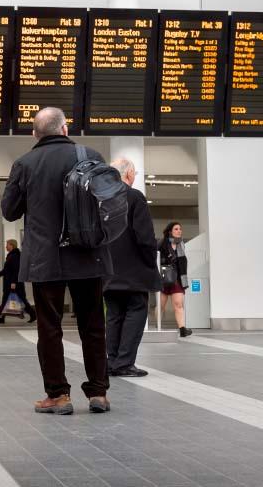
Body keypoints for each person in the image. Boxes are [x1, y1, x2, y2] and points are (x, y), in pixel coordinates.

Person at [1, 107, 111, 415]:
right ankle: (98, 393)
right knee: (93, 324)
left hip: (45, 258)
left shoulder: (25, 163)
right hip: (87, 253)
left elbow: (9, 211)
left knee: (50, 328)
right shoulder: (90, 155)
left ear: (35, 134)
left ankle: (59, 395)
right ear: (65, 129)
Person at [103, 159, 160, 377]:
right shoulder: (134, 197)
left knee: (114, 314)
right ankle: (124, 363)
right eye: (134, 173)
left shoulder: (102, 199)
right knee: (136, 312)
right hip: (134, 271)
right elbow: (145, 237)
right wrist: (149, 263)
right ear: (128, 175)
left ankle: (111, 361)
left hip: (108, 271)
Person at [159, 222, 192, 337]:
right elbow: (157, 259)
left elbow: (183, 263)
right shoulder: (162, 244)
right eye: (176, 229)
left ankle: (182, 329)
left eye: (180, 229)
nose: (179, 231)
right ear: (170, 232)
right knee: (160, 305)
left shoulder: (181, 244)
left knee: (178, 304)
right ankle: (158, 326)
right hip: (163, 278)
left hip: (177, 279)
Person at [0, 239, 36, 323]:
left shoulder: (15, 256)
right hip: (12, 283)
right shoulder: (11, 255)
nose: (6, 246)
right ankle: (0, 318)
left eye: (7, 245)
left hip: (14, 283)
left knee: (20, 300)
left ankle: (33, 314)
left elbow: (16, 270)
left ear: (12, 245)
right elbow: (7, 270)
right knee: (11, 300)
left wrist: (13, 282)